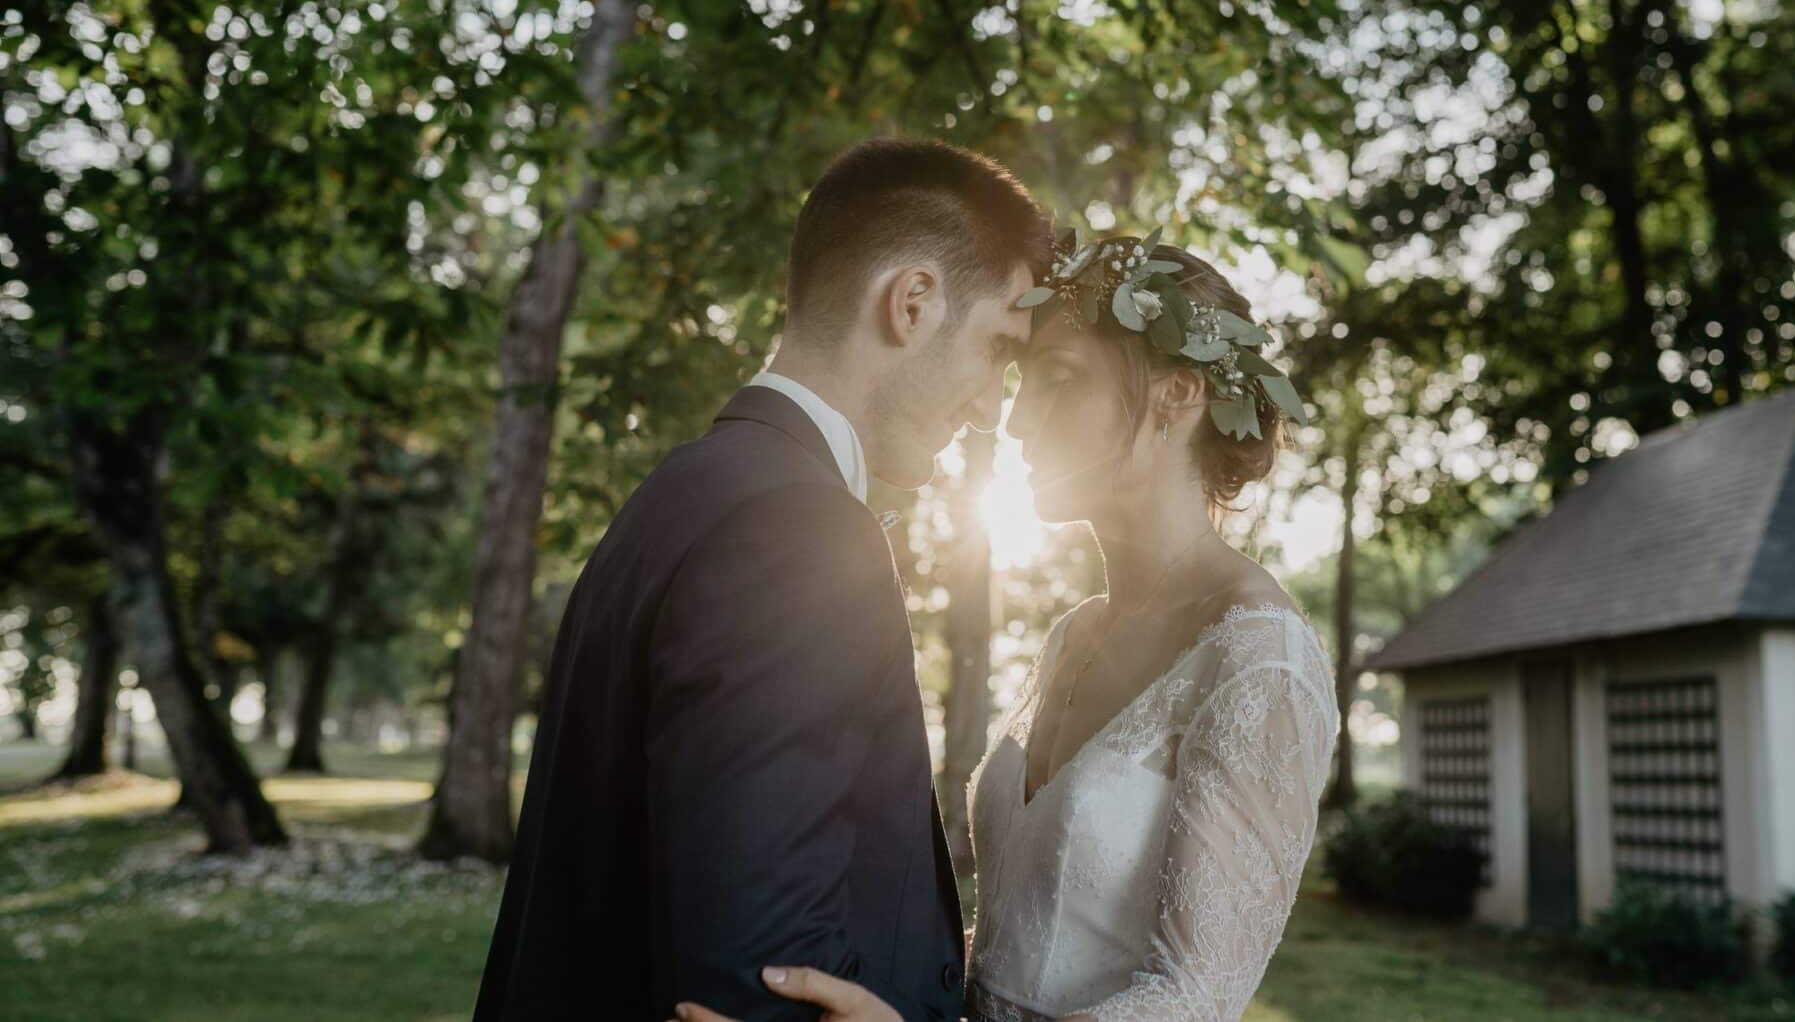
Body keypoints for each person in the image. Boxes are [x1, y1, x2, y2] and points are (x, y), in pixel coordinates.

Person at [679, 228, 1338, 1022]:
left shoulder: (1261, 661)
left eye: (1058, 380)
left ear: (1177, 394)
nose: (1017, 421)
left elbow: (1192, 999)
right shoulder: (1072, 637)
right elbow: (1022, 946)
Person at [471, 138, 1051, 1022]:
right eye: (998, 350)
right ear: (914, 302)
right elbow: (758, 981)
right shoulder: (796, 528)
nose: (987, 410)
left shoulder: (687, 489)